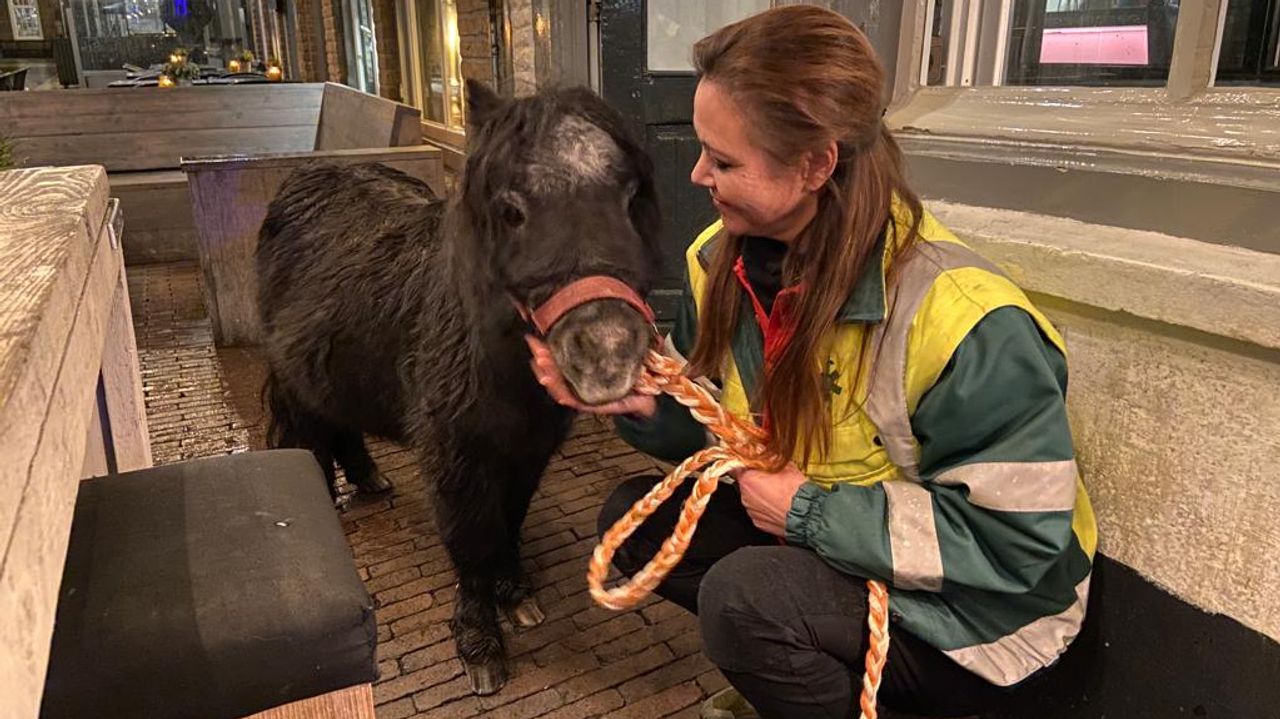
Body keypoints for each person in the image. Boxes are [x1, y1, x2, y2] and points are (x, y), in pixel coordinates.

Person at [526, 6, 1096, 718]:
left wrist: (807, 513)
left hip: (984, 619)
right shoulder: (716, 260)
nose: (697, 172)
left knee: (745, 604)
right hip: (846, 543)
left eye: (724, 160)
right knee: (638, 525)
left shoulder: (964, 317)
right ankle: (807, 671)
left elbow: (1017, 543)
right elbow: (713, 428)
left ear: (816, 164)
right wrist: (643, 406)